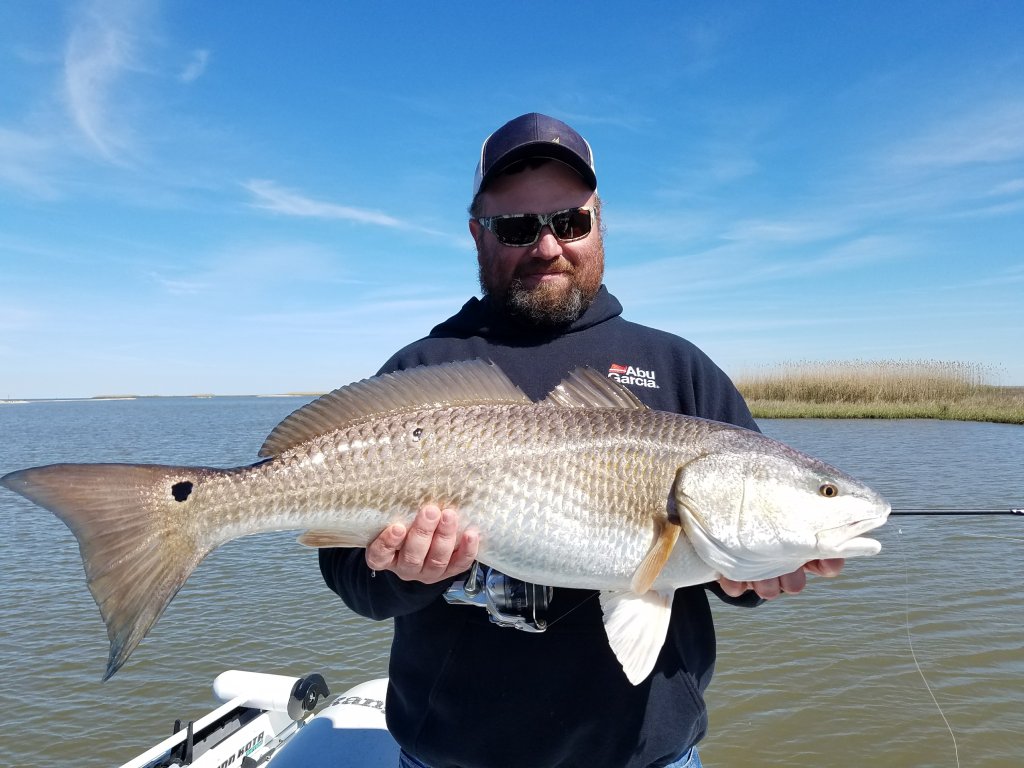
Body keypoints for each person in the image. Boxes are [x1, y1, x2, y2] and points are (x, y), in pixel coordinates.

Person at [319, 112, 844, 768]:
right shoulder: (422, 370)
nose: (547, 247)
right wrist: (399, 574)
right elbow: (352, 579)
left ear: (600, 222)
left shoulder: (681, 370)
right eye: (516, 227)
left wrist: (752, 573)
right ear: (477, 234)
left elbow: (720, 558)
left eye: (569, 222)